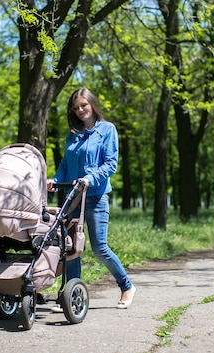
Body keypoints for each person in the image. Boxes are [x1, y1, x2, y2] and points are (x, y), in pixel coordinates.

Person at [47, 87, 136, 309]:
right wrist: (54, 180)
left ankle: (126, 286)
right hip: (73, 198)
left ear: (92, 104)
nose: (80, 110)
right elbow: (65, 164)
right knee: (70, 248)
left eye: (83, 105)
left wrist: (89, 178)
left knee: (100, 248)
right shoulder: (72, 134)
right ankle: (71, 295)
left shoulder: (107, 130)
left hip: (95, 197)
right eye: (76, 108)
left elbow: (110, 164)